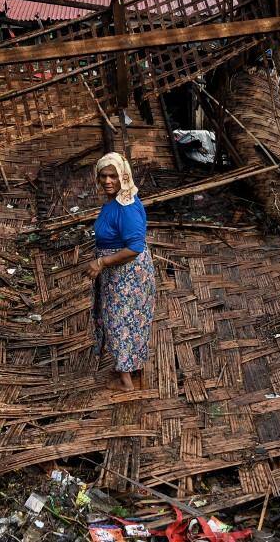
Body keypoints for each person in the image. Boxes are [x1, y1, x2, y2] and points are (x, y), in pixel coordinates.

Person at [85, 152, 156, 391]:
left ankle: (126, 381)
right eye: (103, 176)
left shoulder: (126, 207)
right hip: (122, 273)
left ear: (123, 176)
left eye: (113, 176)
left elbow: (135, 247)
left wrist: (103, 262)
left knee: (120, 321)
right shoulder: (118, 200)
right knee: (130, 319)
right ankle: (131, 365)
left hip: (127, 274)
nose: (107, 181)